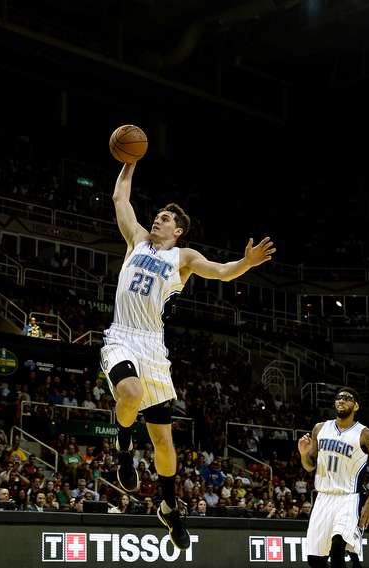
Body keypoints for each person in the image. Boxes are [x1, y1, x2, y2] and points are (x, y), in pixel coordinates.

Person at [101, 161, 276, 550]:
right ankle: (124, 448)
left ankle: (168, 506)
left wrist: (245, 263)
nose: (157, 220)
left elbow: (220, 271)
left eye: (164, 219)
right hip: (122, 337)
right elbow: (119, 197)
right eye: (158, 217)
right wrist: (129, 163)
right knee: (128, 394)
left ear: (177, 230)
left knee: (164, 443)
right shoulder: (135, 240)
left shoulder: (183, 257)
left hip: (153, 347)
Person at [297, 388, 369, 568]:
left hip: (348, 499)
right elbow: (310, 466)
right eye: (339, 397)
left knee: (338, 547)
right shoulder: (320, 428)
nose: (341, 400)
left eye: (347, 398)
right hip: (323, 497)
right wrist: (303, 454)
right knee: (314, 560)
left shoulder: (365, 435)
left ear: (356, 406)